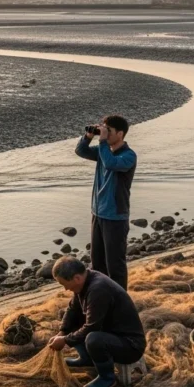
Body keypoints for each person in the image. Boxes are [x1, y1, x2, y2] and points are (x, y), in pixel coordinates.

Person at [47, 256, 146, 387]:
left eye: (64, 284)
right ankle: (87, 358)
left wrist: (65, 341)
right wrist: (62, 332)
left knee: (93, 339)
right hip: (112, 333)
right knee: (74, 319)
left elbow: (92, 327)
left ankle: (107, 378)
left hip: (130, 345)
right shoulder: (84, 282)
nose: (65, 289)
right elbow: (72, 309)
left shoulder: (98, 289)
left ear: (77, 278)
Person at [75, 115, 137, 290]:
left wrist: (102, 142)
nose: (105, 133)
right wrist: (88, 137)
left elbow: (110, 164)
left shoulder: (128, 156)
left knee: (115, 265)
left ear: (120, 133)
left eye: (108, 131)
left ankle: (120, 303)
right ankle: (100, 297)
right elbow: (81, 151)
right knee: (98, 264)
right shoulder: (104, 151)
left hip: (115, 216)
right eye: (104, 129)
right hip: (98, 213)